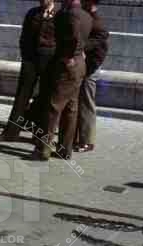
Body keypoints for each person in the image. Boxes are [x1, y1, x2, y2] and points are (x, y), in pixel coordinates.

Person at [32, 0, 92, 161]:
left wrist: (68, 56)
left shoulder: (70, 14)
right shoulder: (86, 15)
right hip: (79, 64)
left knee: (53, 107)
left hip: (68, 65)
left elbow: (73, 37)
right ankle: (65, 150)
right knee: (71, 109)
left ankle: (43, 149)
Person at [0, 0, 56, 141]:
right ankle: (11, 132)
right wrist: (25, 55)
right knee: (22, 95)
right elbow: (24, 36)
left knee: (45, 96)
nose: (42, 1)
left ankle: (39, 135)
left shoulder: (59, 15)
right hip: (30, 59)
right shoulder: (32, 13)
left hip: (49, 60)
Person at [73, 0, 109, 153]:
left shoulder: (97, 24)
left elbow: (99, 53)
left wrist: (88, 68)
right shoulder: (88, 19)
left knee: (87, 104)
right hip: (84, 68)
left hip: (89, 69)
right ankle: (77, 138)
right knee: (79, 103)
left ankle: (87, 141)